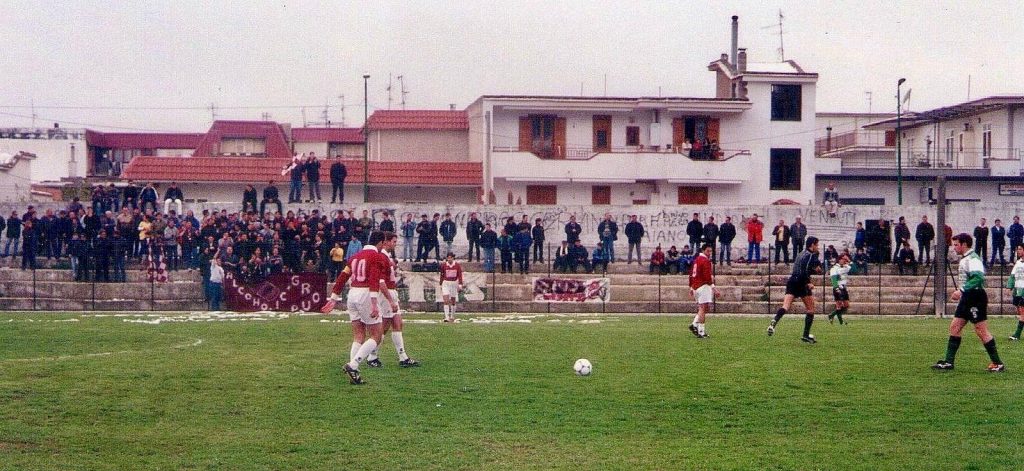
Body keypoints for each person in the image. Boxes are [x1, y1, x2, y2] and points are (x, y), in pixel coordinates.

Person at [322, 230, 399, 385]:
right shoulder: (376, 257)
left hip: (352, 294)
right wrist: (374, 303)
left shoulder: (355, 256)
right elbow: (373, 280)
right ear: (379, 242)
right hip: (366, 294)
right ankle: (353, 365)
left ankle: (353, 372)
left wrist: (334, 298)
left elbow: (343, 277)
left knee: (358, 335)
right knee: (376, 336)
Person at [932, 233, 1004, 372]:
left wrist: (962, 290)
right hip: (967, 297)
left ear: (964, 244)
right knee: (955, 327)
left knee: (980, 330)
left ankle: (998, 363)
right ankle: (948, 362)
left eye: (956, 245)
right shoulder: (966, 259)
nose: (954, 248)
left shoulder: (973, 258)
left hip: (975, 297)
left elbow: (978, 278)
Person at [366, 248, 419, 368]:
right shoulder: (382, 257)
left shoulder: (386, 257)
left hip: (391, 292)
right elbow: (381, 281)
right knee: (384, 326)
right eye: (393, 242)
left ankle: (403, 357)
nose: (394, 245)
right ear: (386, 242)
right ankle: (372, 356)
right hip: (387, 294)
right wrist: (390, 300)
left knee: (398, 323)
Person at [767, 236, 822, 343]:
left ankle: (774, 322)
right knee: (810, 309)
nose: (818, 247)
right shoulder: (810, 255)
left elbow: (807, 268)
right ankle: (806, 335)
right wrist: (808, 282)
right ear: (812, 245)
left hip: (792, 280)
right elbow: (805, 271)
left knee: (786, 306)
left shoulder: (801, 253)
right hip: (802, 282)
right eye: (817, 245)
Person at [688, 244, 718, 339]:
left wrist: (691, 287)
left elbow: (691, 274)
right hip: (703, 286)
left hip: (696, 286)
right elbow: (707, 277)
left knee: (705, 308)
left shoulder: (696, 260)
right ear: (703, 250)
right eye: (708, 251)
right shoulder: (705, 261)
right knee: (702, 308)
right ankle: (701, 331)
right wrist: (714, 287)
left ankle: (694, 324)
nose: (709, 253)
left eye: (710, 251)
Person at [828, 253, 852, 325]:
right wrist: (836, 288)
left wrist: (849, 260)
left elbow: (853, 267)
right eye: (844, 259)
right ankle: (841, 322)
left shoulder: (846, 267)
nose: (845, 261)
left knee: (846, 305)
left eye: (846, 260)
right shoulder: (834, 268)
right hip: (838, 287)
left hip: (844, 287)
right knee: (839, 305)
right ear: (839, 259)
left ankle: (831, 315)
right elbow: (833, 279)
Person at [1006, 245, 1024, 341]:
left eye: (1020, 249)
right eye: (1017, 249)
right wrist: (1010, 286)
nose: (1018, 251)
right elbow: (1013, 276)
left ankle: (1017, 335)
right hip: (1018, 290)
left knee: (1022, 312)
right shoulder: (1018, 262)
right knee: (1020, 311)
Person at [440, 252, 463, 323]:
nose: (449, 259)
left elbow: (460, 275)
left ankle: (452, 316)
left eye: (451, 258)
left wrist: (460, 284)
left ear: (453, 258)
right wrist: (441, 284)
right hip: (446, 283)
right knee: (446, 300)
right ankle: (446, 317)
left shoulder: (457, 265)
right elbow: (442, 275)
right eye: (448, 258)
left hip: (454, 283)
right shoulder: (444, 265)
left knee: (453, 300)